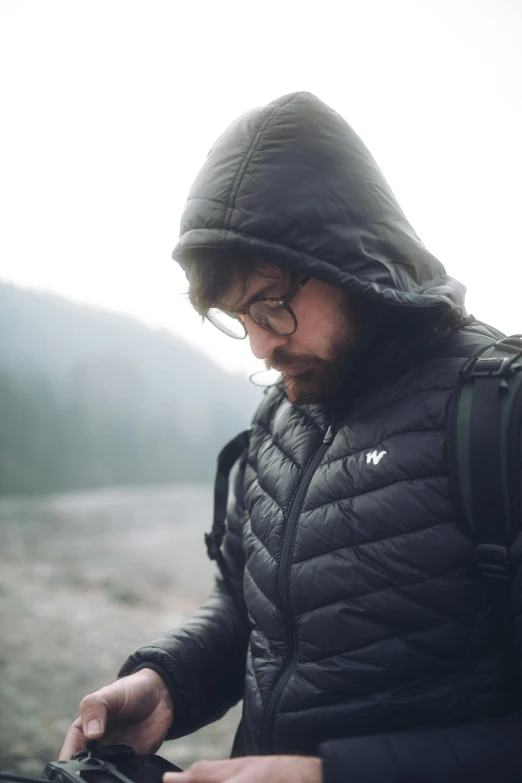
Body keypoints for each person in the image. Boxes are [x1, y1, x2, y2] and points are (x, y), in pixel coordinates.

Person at [60, 92, 521, 783]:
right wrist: (167, 682)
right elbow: (253, 613)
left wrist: (329, 774)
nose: (260, 346)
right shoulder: (279, 419)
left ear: (349, 263)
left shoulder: (498, 413)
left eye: (272, 303)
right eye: (237, 316)